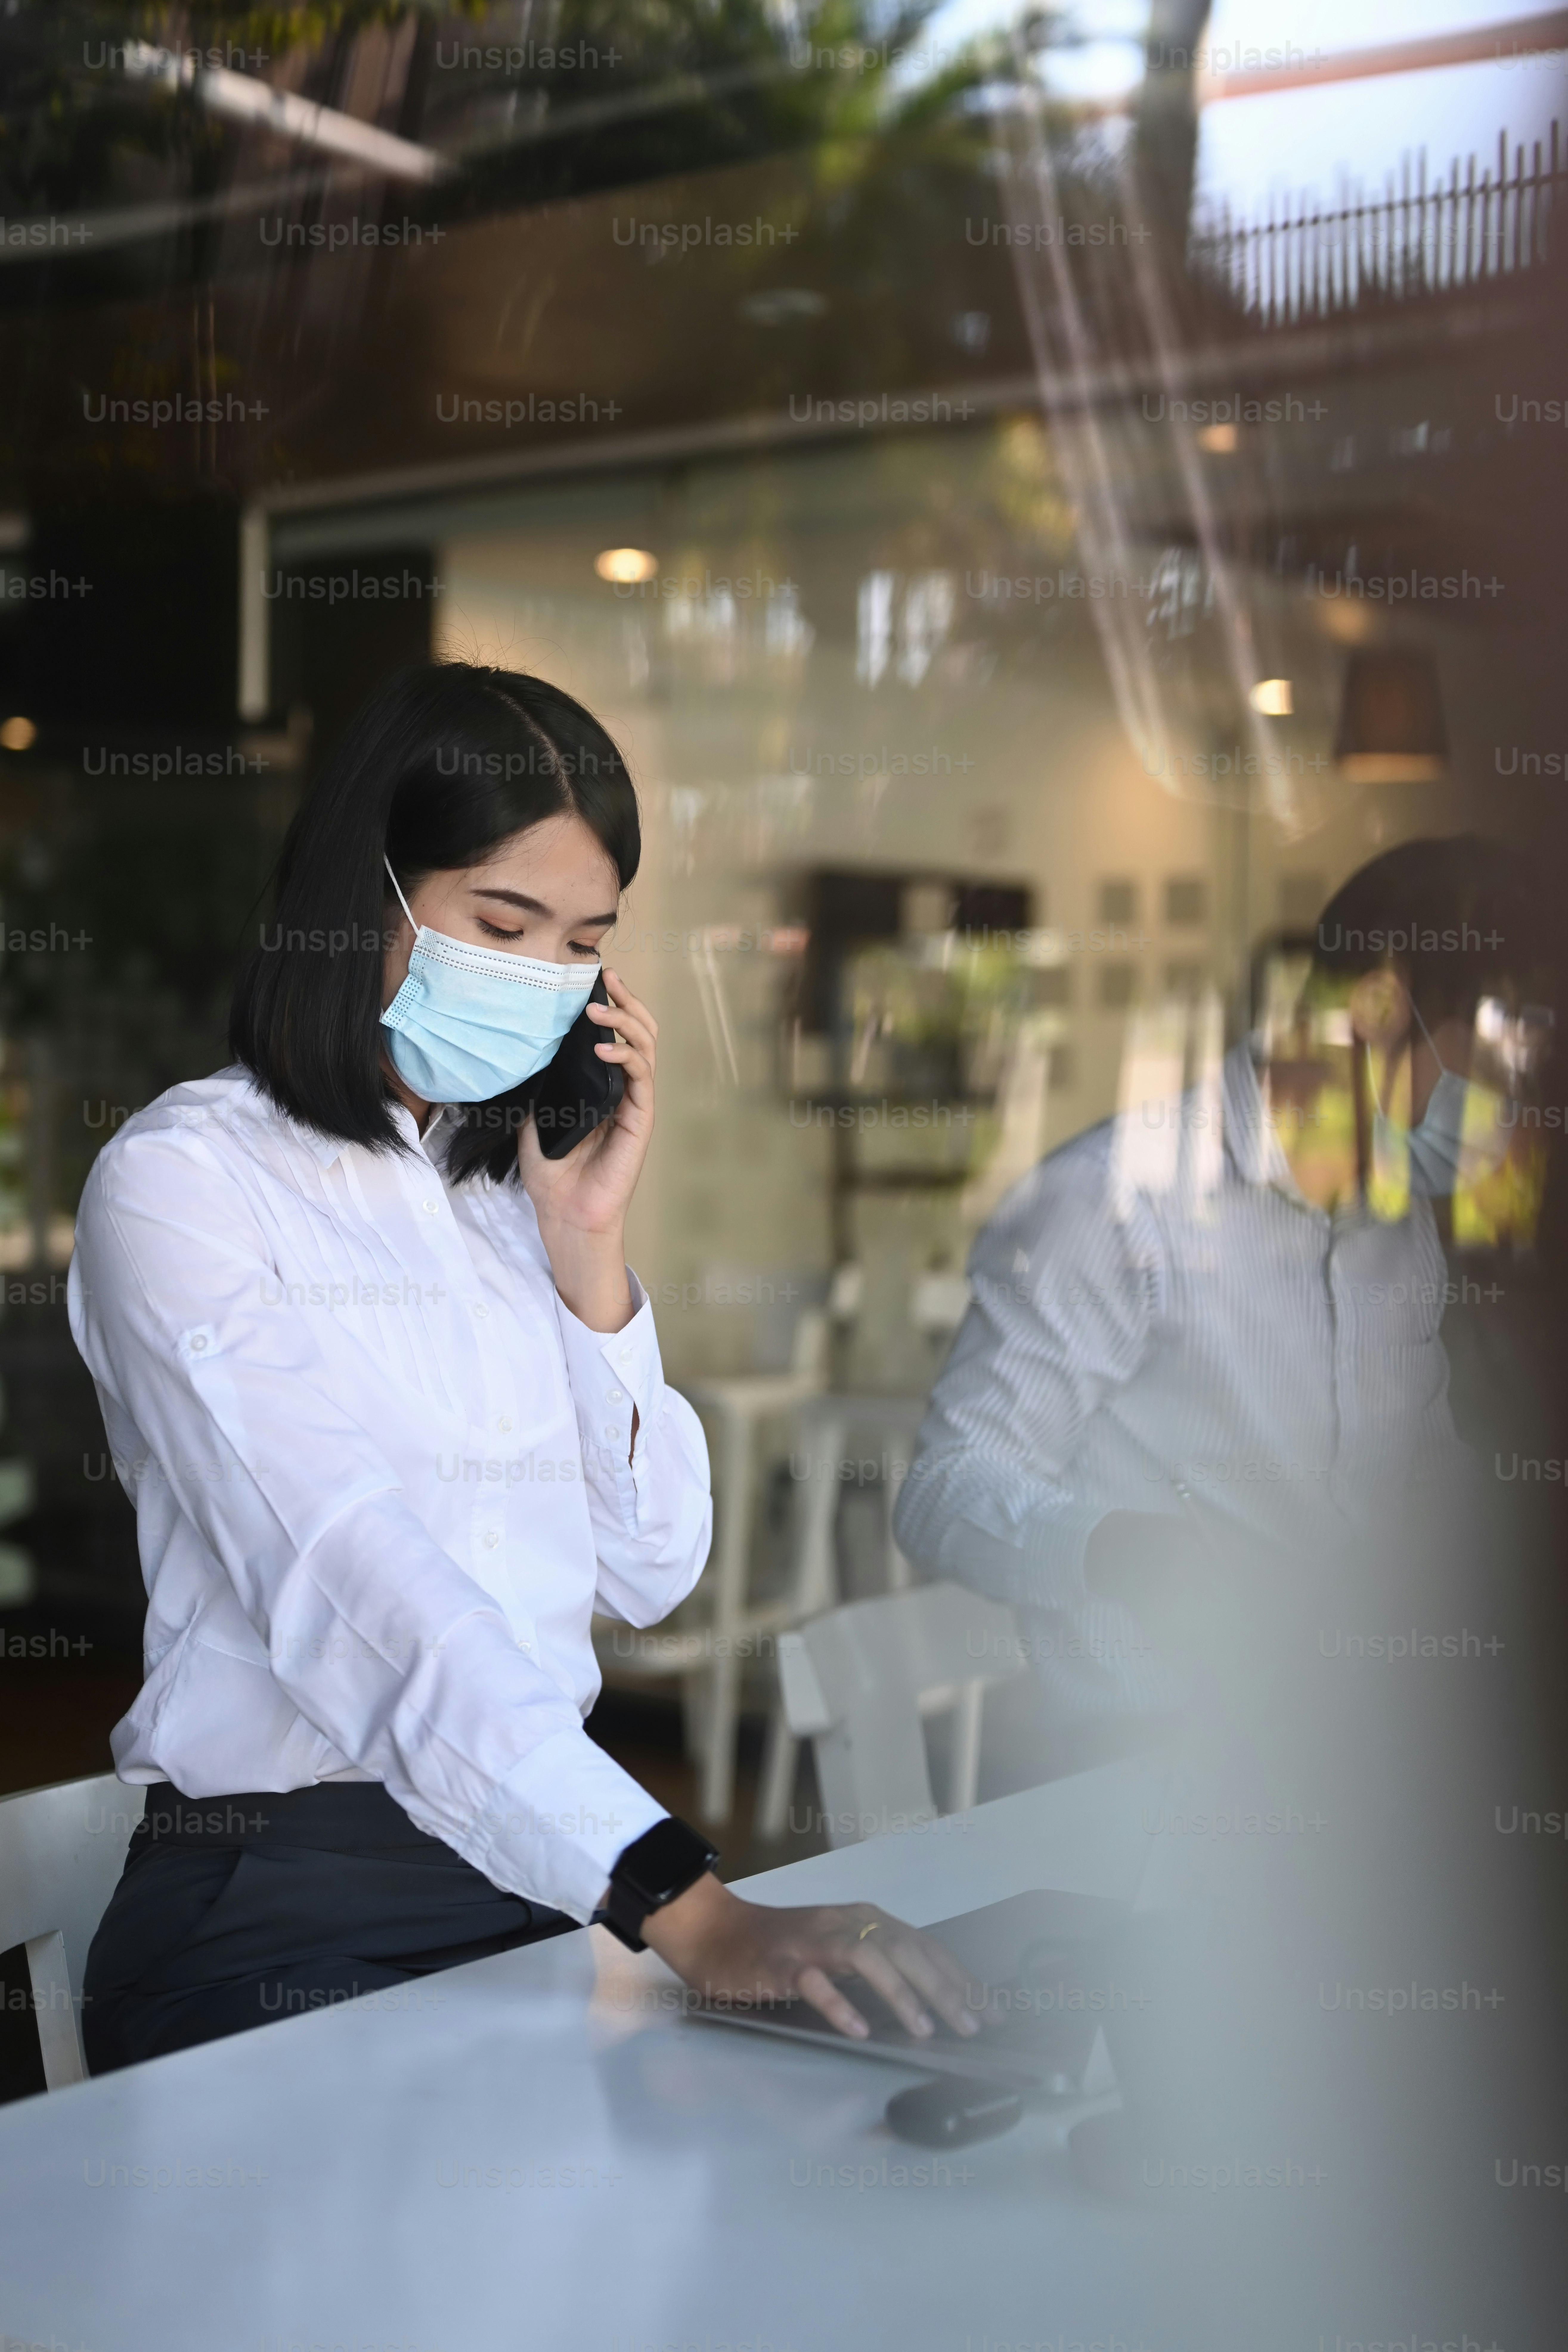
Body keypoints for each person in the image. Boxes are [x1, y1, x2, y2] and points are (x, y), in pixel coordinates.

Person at [74, 662, 975, 2070]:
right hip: (282, 1906)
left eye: (581, 943)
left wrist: (588, 1251)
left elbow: (653, 1569)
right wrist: (684, 1902)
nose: (540, 975)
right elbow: (350, 1575)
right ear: (360, 894)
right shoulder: (182, 1186)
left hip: (536, 1887)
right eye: (502, 924)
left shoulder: (514, 1202)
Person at [893, 836, 1552, 1734]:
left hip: (1358, 1752)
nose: (1515, 1111)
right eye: (1502, 1062)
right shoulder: (1113, 1202)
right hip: (1140, 1766)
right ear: (1376, 1006)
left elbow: (1419, 1483)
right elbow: (945, 1489)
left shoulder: (1400, 1232)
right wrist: (1124, 1551)